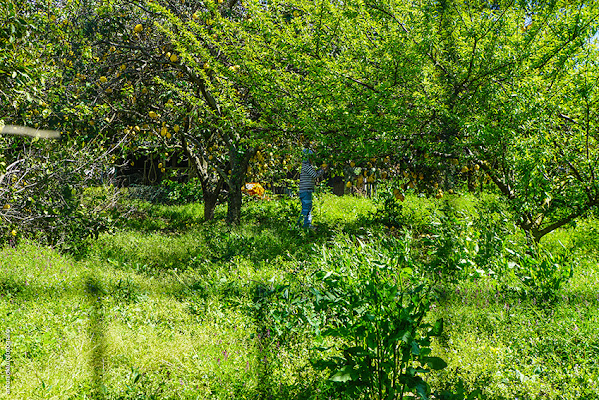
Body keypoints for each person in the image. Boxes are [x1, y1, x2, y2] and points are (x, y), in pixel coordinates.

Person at [298, 149, 326, 229]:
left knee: (308, 207)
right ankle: (300, 225)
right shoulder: (307, 166)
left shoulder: (306, 166)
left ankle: (306, 225)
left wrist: (320, 170)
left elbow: (313, 173)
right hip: (306, 191)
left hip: (306, 190)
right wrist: (322, 170)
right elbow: (315, 175)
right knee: (306, 208)